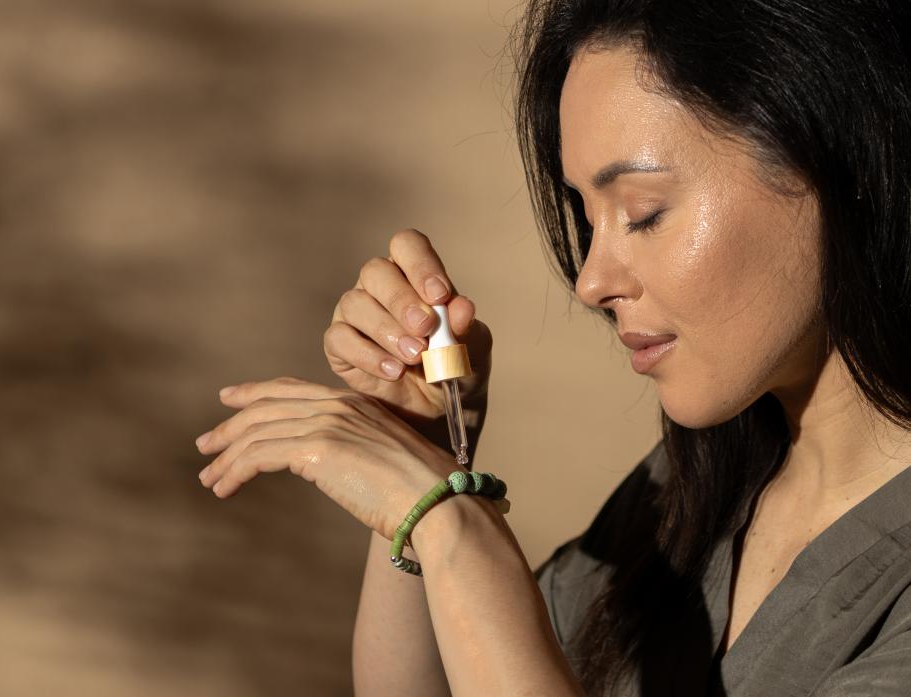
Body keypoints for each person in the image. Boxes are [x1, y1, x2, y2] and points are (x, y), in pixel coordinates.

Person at [193, 0, 911, 694]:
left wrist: (454, 525)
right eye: (586, 218)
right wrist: (428, 460)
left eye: (643, 211)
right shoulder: (686, 493)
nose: (592, 281)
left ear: (834, 153)